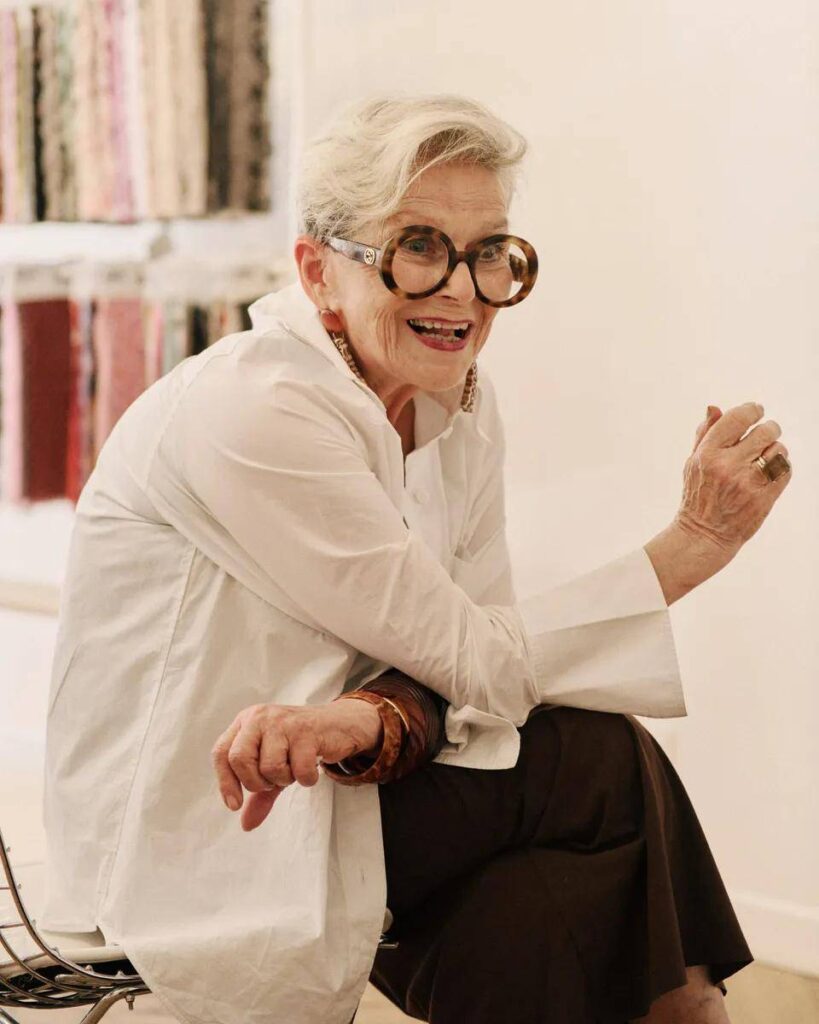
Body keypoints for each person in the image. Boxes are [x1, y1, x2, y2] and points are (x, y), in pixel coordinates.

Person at [40, 93, 792, 1024]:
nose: (462, 291)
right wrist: (696, 543)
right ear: (318, 272)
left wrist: (356, 718)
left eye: (489, 253)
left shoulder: (458, 405)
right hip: (209, 826)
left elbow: (478, 676)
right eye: (419, 247)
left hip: (347, 788)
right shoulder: (255, 408)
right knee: (596, 759)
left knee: (532, 903)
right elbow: (481, 661)